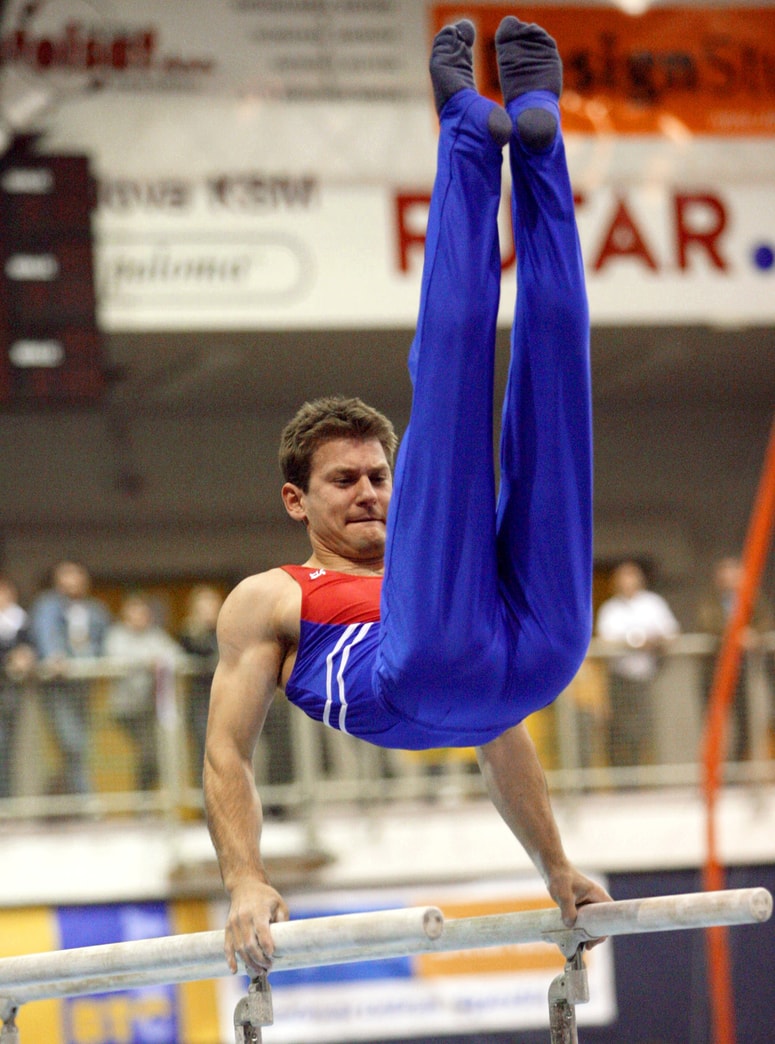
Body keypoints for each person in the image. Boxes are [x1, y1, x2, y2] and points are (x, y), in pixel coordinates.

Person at [204, 15, 611, 976]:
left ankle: (525, 137)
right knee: (465, 386)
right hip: (440, 664)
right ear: (295, 502)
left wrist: (555, 866)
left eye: (379, 475)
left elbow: (500, 739)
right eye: (342, 480)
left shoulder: (431, 558)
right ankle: (477, 141)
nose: (370, 494)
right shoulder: (274, 597)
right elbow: (227, 753)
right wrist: (244, 878)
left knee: (551, 385)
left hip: (523, 660)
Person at [29, 560, 111, 794]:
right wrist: (54, 657)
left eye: (76, 574)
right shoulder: (47, 606)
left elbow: (104, 642)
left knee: (80, 744)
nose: (71, 580)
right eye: (65, 575)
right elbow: (46, 635)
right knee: (72, 743)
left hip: (85, 686)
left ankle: (74, 798)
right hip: (58, 687)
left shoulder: (96, 610)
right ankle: (86, 799)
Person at [595, 560, 679, 767]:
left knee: (646, 730)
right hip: (620, 678)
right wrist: (631, 643)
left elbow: (672, 634)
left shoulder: (653, 603)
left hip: (649, 678)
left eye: (631, 576)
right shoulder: (610, 608)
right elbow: (604, 640)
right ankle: (625, 778)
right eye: (623, 577)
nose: (627, 581)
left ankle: (649, 776)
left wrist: (652, 642)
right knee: (620, 731)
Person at [696, 555, 774, 761]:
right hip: (715, 671)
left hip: (743, 671)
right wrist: (735, 636)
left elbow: (765, 620)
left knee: (746, 720)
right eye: (725, 574)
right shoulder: (709, 600)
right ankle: (717, 768)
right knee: (716, 722)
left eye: (734, 574)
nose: (730, 579)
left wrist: (753, 634)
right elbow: (708, 624)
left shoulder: (751, 597)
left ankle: (742, 765)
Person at [105, 592, 183, 791]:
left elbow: (176, 656)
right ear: (126, 615)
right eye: (135, 613)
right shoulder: (116, 635)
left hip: (151, 707)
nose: (140, 617)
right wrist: (147, 662)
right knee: (148, 753)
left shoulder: (155, 635)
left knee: (153, 755)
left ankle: (145, 802)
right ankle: (144, 802)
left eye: (143, 613)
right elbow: (116, 659)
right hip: (127, 709)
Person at [177, 585, 223, 782]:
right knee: (204, 753)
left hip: (227, 700)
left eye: (212, 605)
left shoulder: (227, 630)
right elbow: (198, 650)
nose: (208, 610)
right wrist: (204, 628)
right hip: (201, 704)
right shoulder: (188, 634)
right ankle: (206, 804)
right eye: (203, 606)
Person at [0, 575, 36, 798]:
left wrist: (27, 656)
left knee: (9, 750)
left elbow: (33, 646)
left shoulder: (22, 621)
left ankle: (7, 802)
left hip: (14, 696)